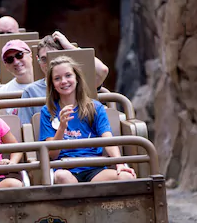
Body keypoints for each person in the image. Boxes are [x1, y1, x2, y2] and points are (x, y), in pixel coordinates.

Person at [39, 56, 136, 184]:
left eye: (68, 75)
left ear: (76, 78)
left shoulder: (94, 107)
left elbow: (108, 139)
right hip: (65, 168)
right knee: (62, 177)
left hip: (94, 167)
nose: (64, 81)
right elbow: (52, 154)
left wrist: (119, 163)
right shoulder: (48, 111)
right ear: (53, 85)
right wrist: (62, 127)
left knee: (126, 177)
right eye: (57, 78)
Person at [18, 31, 110, 124]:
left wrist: (71, 47)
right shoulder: (31, 91)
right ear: (38, 59)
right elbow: (25, 126)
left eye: (55, 57)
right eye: (44, 59)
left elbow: (103, 70)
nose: (50, 63)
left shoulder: (77, 82)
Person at [0, 40, 35, 115]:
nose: (16, 62)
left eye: (19, 55)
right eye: (10, 60)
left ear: (30, 55)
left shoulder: (48, 83)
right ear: (6, 66)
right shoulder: (2, 93)